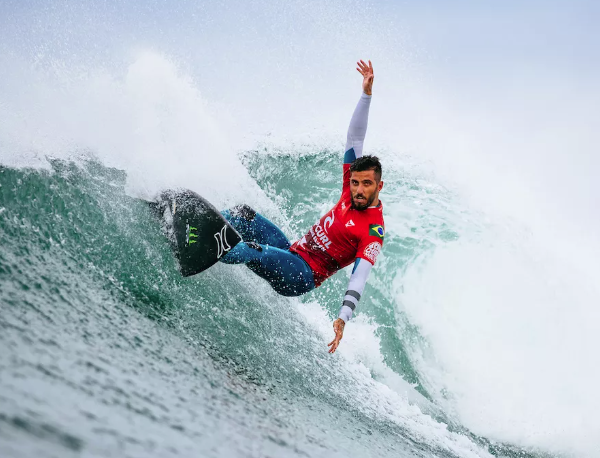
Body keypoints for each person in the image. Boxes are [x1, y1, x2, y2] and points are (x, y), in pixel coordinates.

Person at [220, 60, 384, 354]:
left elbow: (359, 276)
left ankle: (204, 245)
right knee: (243, 214)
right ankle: (201, 221)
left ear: (379, 187)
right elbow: (355, 138)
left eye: (366, 185)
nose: (358, 190)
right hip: (292, 252)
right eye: (356, 183)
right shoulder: (350, 189)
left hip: (301, 275)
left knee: (250, 248)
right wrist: (366, 95)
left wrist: (343, 317)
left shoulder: (373, 231)